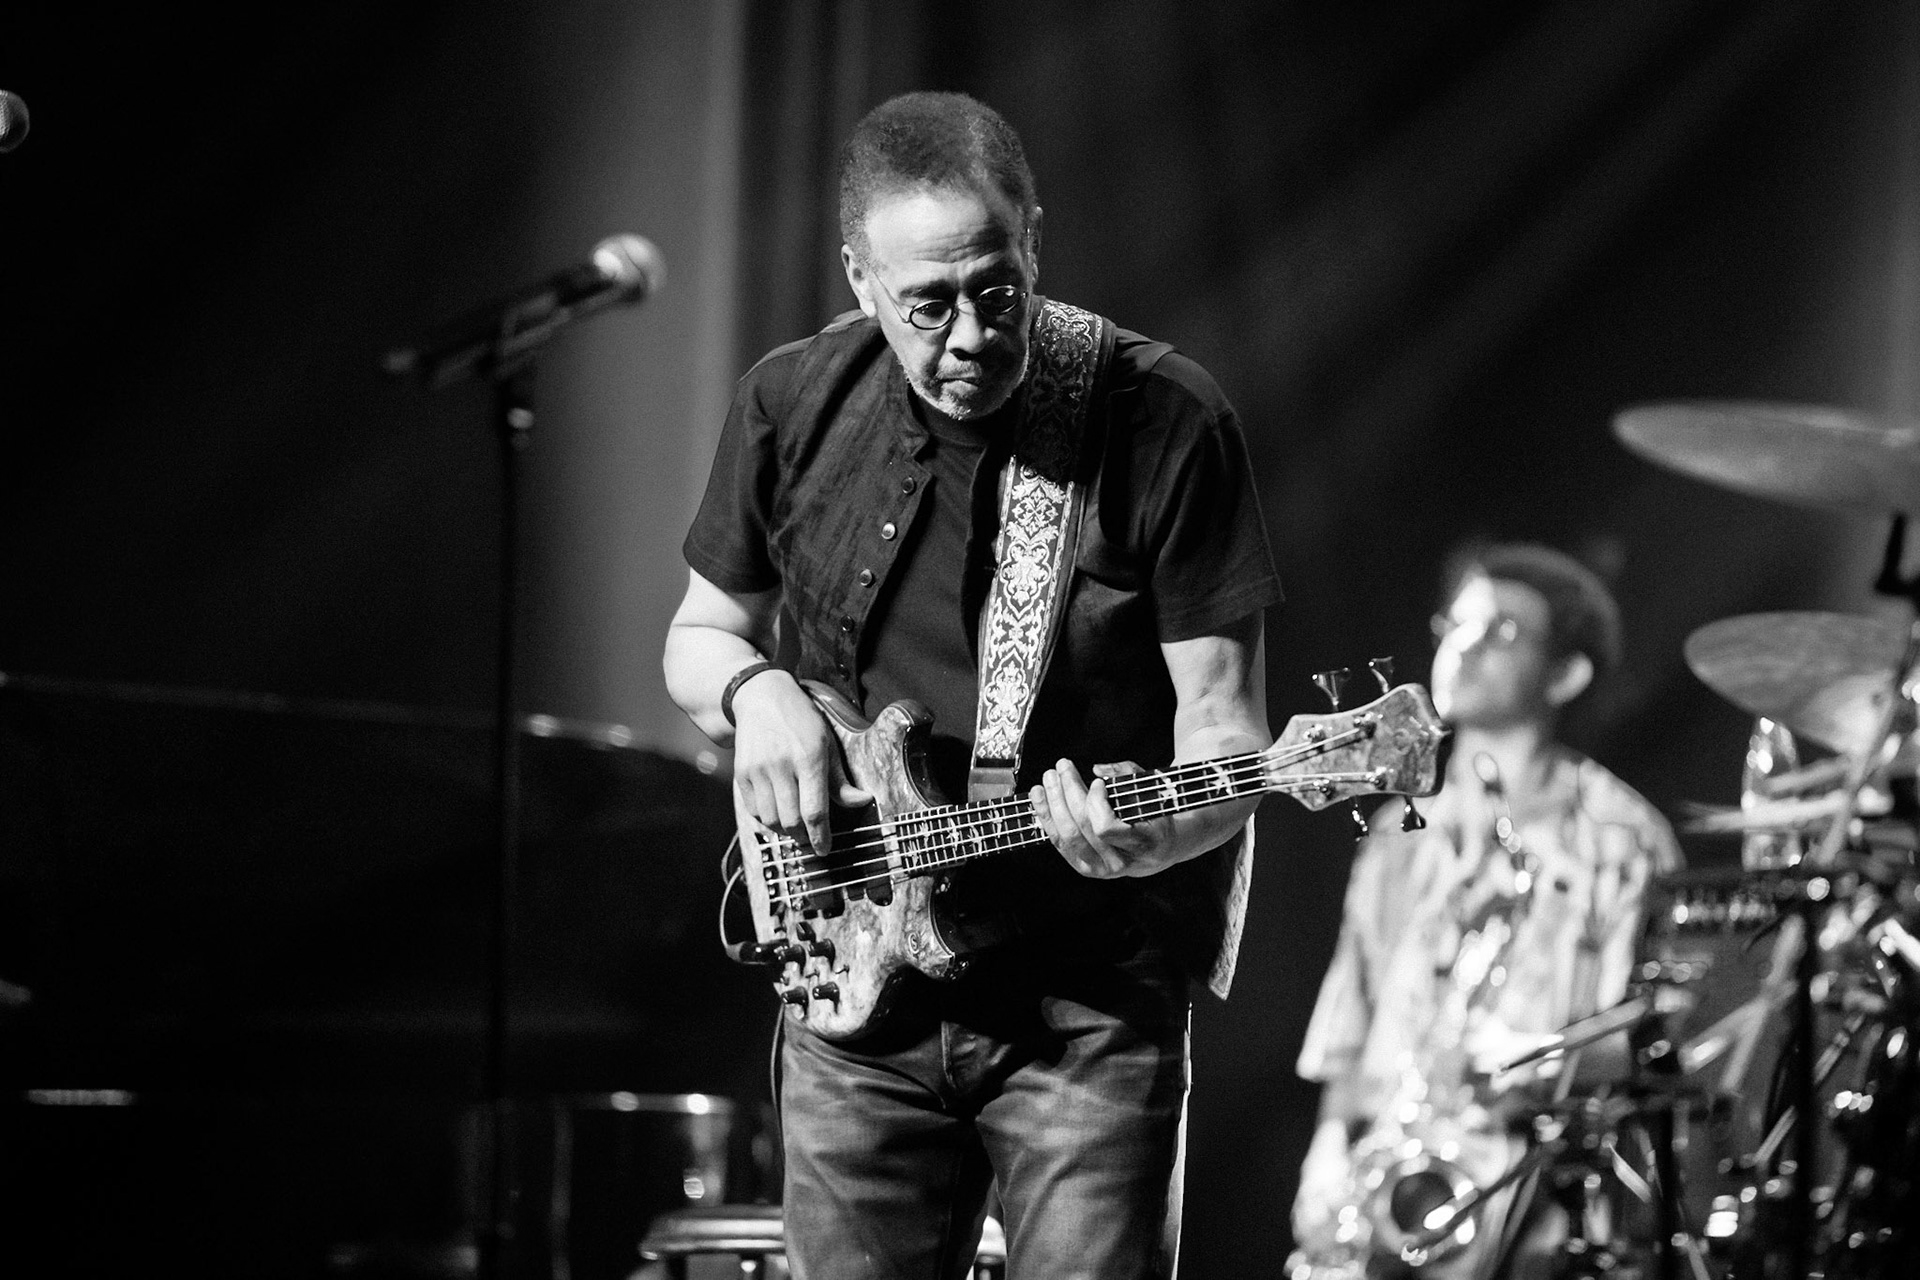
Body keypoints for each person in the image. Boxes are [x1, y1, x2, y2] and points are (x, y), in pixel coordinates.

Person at [661, 92, 1283, 1280]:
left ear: (1035, 239)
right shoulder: (791, 401)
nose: (972, 338)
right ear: (860, 278)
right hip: (853, 992)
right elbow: (698, 633)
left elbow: (1225, 734)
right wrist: (757, 695)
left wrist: (1153, 840)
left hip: (1084, 1009)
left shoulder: (1165, 419)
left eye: (998, 289)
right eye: (927, 304)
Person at [1289, 543, 1682, 1279]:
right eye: (1455, 626)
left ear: (1565, 674)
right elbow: (1353, 1013)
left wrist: (1537, 1052)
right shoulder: (1396, 832)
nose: (1461, 648)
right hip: (1386, 1186)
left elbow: (1656, 1042)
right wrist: (1327, 1150)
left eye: (1500, 632)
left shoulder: (1625, 836)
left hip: (1536, 1196)